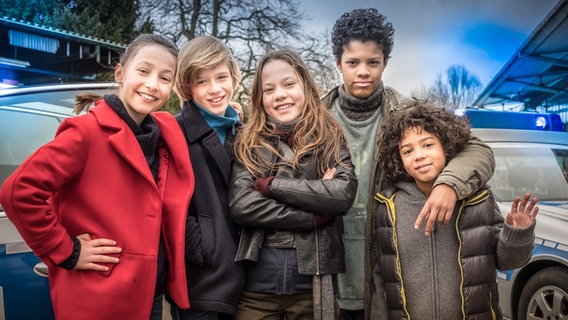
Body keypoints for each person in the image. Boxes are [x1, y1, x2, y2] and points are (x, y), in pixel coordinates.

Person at [0, 34, 194, 320]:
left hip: (148, 295)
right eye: (143, 71)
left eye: (165, 78)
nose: (153, 84)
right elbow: (18, 191)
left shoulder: (162, 135)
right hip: (100, 299)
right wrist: (67, 250)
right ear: (120, 72)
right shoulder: (86, 133)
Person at [321, 8, 496, 319]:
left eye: (373, 62)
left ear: (385, 63)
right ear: (338, 63)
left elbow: (479, 150)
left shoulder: (405, 113)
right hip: (329, 270)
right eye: (353, 62)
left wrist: (449, 184)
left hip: (385, 273)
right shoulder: (316, 118)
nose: (363, 71)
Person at [366, 100, 538, 319]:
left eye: (428, 145)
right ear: (398, 159)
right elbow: (383, 279)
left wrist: (516, 234)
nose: (418, 155)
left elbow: (506, 262)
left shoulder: (479, 200)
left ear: (446, 146)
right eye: (407, 151)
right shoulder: (388, 206)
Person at [229, 48, 358, 320]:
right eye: (269, 89)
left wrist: (271, 186)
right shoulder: (248, 142)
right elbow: (242, 205)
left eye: (289, 84)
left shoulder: (330, 137)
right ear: (260, 98)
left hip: (312, 286)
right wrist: (313, 214)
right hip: (256, 287)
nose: (280, 95)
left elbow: (342, 194)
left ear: (306, 87)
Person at [169, 35, 245, 320]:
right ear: (187, 87)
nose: (215, 89)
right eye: (202, 81)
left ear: (233, 77)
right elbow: (170, 204)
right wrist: (201, 246)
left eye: (221, 77)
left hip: (247, 282)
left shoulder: (243, 130)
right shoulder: (174, 132)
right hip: (202, 281)